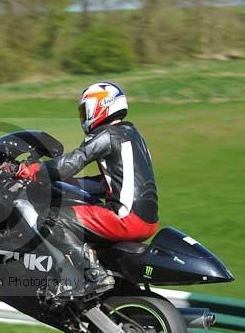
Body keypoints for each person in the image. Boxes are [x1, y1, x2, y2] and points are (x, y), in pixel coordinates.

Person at [15, 82, 159, 299]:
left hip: (125, 218)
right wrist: (69, 184)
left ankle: (93, 275)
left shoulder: (107, 135)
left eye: (85, 110)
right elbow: (107, 183)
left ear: (101, 106)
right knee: (81, 210)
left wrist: (35, 170)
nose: (83, 116)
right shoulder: (133, 135)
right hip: (147, 220)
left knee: (50, 218)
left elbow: (74, 161)